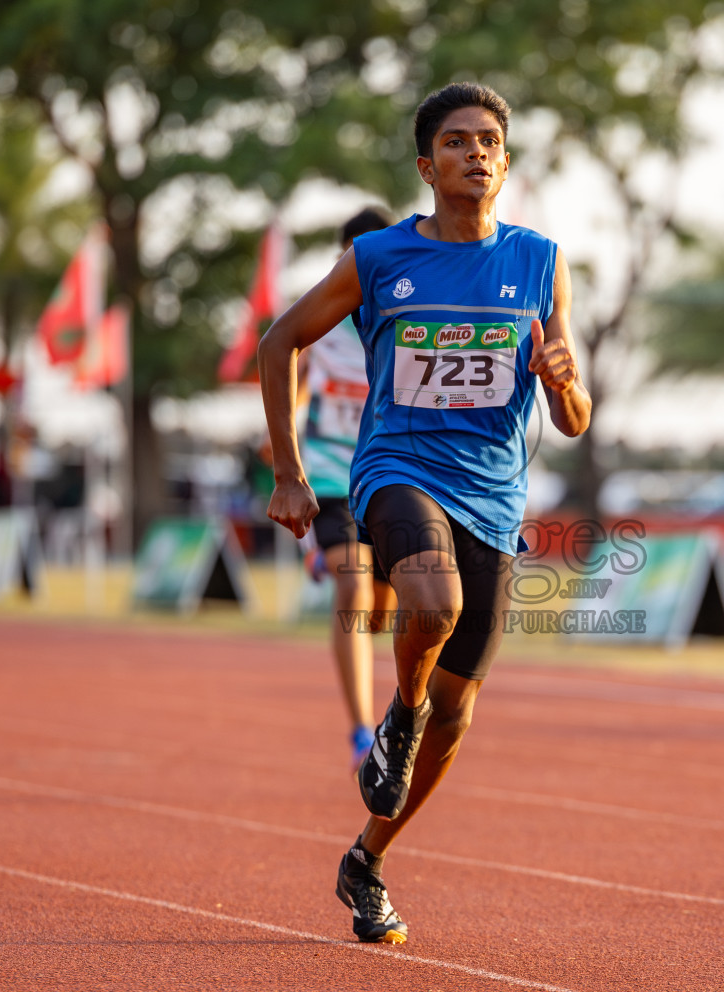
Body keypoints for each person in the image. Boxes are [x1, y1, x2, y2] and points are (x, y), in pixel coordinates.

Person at [259, 82, 590, 945]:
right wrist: (290, 472)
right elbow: (279, 341)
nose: (475, 153)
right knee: (432, 607)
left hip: (494, 496)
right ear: (425, 165)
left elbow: (574, 418)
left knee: (458, 714)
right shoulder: (377, 258)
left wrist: (564, 382)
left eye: (489, 142)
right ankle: (395, 717)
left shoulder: (541, 261)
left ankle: (366, 861)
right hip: (396, 470)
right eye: (455, 141)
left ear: (505, 163)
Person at [294, 207, 399, 771]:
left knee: (379, 617)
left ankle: (324, 558)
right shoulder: (322, 322)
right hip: (331, 479)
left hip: (387, 479)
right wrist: (281, 441)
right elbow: (290, 370)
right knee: (353, 588)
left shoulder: (405, 322)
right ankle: (362, 733)